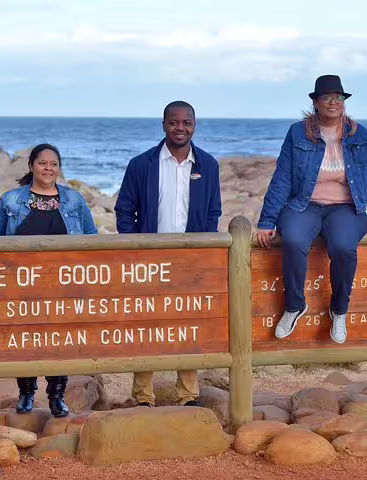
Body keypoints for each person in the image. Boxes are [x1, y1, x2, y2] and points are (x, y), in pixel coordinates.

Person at [256, 75, 367, 344]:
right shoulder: (298, 133)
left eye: (339, 97)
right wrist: (267, 221)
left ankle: (339, 310)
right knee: (294, 239)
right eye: (327, 97)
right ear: (316, 102)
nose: (334, 102)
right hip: (305, 205)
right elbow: (283, 177)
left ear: (344, 103)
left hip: (346, 207)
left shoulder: (360, 135)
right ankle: (295, 305)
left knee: (344, 247)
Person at [114, 101, 222, 407]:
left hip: (191, 260)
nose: (180, 128)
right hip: (149, 259)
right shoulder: (141, 164)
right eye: (174, 122)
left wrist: (204, 251)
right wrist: (137, 249)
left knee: (189, 325)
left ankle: (188, 395)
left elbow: (213, 211)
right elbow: (124, 211)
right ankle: (142, 396)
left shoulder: (208, 165)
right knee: (146, 325)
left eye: (186, 122)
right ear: (164, 125)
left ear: (194, 126)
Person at [0, 143, 98, 417]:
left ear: (59, 168)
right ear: (31, 166)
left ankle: (57, 396)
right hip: (21, 284)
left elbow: (93, 238)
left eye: (53, 164)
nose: (48, 168)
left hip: (63, 284)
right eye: (42, 163)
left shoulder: (74, 200)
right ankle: (26, 392)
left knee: (58, 341)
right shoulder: (11, 200)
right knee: (25, 339)